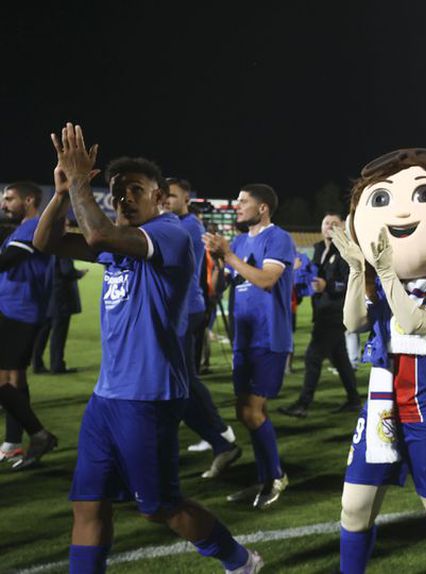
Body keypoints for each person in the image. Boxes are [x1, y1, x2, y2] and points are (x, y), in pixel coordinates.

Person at [34, 124, 262, 572]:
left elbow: (97, 236)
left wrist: (81, 183)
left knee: (159, 507)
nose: (123, 198)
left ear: (158, 197)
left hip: (150, 396)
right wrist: (62, 193)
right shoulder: (118, 241)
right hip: (106, 398)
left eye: (135, 190)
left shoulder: (171, 233)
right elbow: (46, 242)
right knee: (88, 504)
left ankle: (240, 561)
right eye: (117, 191)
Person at [335, 148, 426, 574]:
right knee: (353, 509)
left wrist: (384, 273)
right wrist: (357, 271)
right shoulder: (386, 285)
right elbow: (352, 323)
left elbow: (414, 322)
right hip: (380, 410)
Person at [204, 183, 295, 508]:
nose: (238, 206)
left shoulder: (278, 238)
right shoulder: (240, 242)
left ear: (263, 207)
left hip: (268, 336)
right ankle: (264, 476)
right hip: (244, 338)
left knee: (250, 412)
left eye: (243, 201)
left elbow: (267, 280)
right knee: (249, 412)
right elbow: (219, 287)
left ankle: (275, 476)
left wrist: (229, 255)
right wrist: (219, 261)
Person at [164, 177, 242, 479]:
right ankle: (218, 437)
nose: (166, 200)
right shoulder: (176, 223)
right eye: (163, 195)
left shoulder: (189, 227)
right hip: (179, 311)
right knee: (180, 379)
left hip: (186, 311)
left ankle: (219, 434)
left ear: (186, 198)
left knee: (180, 380)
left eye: (172, 195)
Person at [279, 213, 362, 418]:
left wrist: (329, 285)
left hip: (335, 313)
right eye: (326, 223)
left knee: (312, 357)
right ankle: (354, 400)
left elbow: (352, 282)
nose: (329, 227)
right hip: (321, 311)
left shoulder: (346, 251)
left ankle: (303, 404)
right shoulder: (317, 248)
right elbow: (312, 277)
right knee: (340, 359)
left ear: (342, 227)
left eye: (334, 223)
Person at [0, 181, 57, 469]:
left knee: (7, 382)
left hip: (20, 312)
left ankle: (38, 434)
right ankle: (13, 442)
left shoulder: (34, 226)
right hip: (13, 309)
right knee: (12, 380)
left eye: (9, 198)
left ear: (30, 199)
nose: (3, 205)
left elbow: (7, 261)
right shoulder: (23, 227)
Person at [32, 252, 85, 375]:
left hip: (46, 294)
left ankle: (37, 363)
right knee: (59, 332)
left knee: (43, 331)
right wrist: (79, 273)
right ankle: (57, 365)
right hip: (61, 297)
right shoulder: (62, 251)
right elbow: (67, 270)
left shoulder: (45, 248)